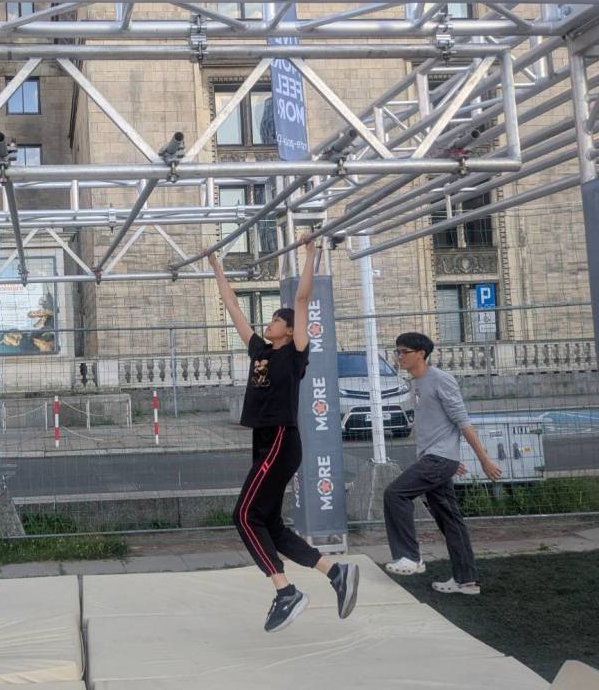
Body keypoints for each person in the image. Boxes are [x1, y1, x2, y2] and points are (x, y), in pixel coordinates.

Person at [209, 235, 358, 633]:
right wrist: (216, 267)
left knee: (244, 516)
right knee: (269, 524)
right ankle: (335, 572)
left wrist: (310, 254)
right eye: (273, 319)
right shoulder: (260, 350)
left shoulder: (295, 353)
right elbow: (232, 306)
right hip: (263, 441)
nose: (270, 322)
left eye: (277, 319)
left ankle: (285, 590)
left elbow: (303, 299)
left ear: (290, 331)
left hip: (280, 438)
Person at [383, 332, 502, 594]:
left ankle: (410, 558)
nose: (399, 357)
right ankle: (466, 582)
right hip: (439, 459)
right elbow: (439, 427)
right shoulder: (417, 383)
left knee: (395, 494)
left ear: (420, 354)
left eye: (404, 352)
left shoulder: (440, 379)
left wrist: (484, 460)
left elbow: (462, 421)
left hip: (439, 459)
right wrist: (450, 459)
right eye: (397, 352)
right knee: (451, 521)